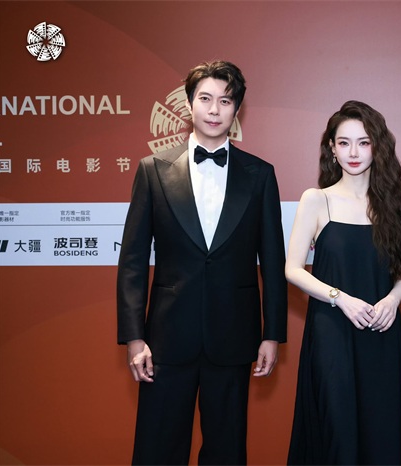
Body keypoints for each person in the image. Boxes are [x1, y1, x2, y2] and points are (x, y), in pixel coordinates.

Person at [116, 60, 287, 465]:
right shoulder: (153, 170)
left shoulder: (260, 174)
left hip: (234, 336)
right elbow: (133, 261)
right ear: (189, 104)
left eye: (225, 101)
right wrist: (134, 337)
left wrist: (272, 334)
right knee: (158, 449)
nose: (214, 110)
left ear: (237, 109)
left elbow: (273, 259)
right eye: (205, 99)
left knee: (227, 450)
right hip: (166, 338)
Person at [286, 100, 401, 465]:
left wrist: (392, 300)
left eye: (363, 142)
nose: (353, 153)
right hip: (332, 332)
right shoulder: (317, 200)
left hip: (381, 331)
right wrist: (340, 298)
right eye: (344, 143)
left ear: (377, 146)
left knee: (380, 434)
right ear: (332, 148)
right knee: (336, 433)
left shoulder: (397, 203)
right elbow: (292, 269)